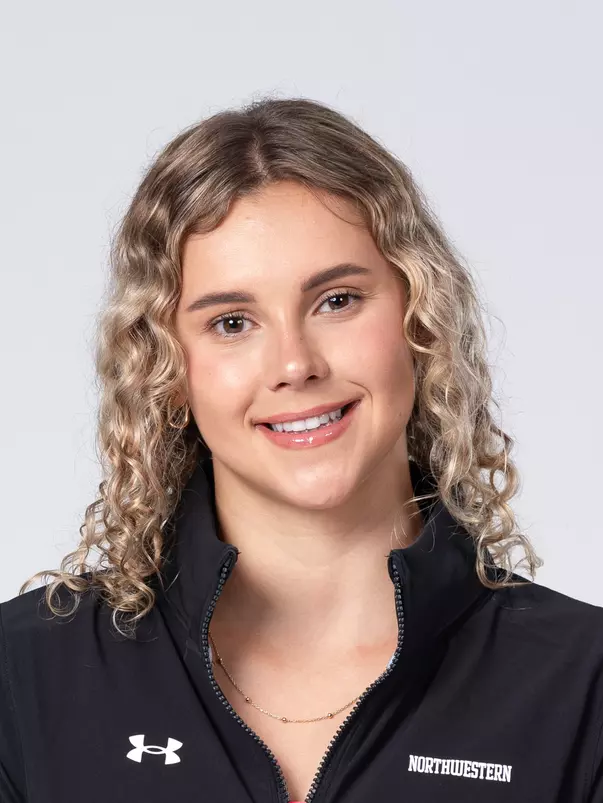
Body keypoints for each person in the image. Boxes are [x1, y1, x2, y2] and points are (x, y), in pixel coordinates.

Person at [0, 96, 602, 803]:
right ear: (165, 367)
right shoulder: (25, 677)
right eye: (231, 321)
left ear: (419, 317)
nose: (294, 363)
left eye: (336, 300)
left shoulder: (580, 685)